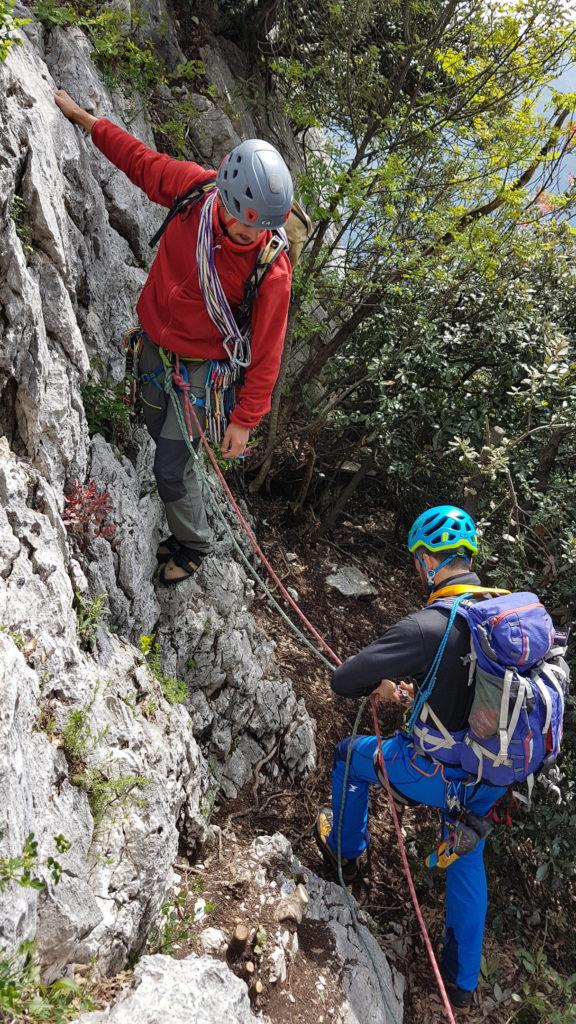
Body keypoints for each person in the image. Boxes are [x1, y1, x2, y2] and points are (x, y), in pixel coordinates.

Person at [53, 90, 293, 585]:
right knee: (150, 422)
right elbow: (140, 161)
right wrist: (84, 119)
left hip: (204, 369)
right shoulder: (194, 192)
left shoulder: (271, 273)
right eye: (243, 226)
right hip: (155, 344)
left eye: (260, 231)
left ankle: (193, 541)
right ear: (224, 197)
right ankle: (184, 511)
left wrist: (245, 420)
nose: (251, 238)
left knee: (170, 464)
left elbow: (267, 353)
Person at [315, 505, 510, 1013]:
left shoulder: (430, 625)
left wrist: (381, 686)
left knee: (349, 757)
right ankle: (462, 983)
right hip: (490, 779)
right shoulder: (505, 619)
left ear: (427, 560)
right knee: (467, 847)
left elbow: (343, 681)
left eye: (418, 560)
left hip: (433, 773)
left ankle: (345, 854)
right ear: (468, 557)